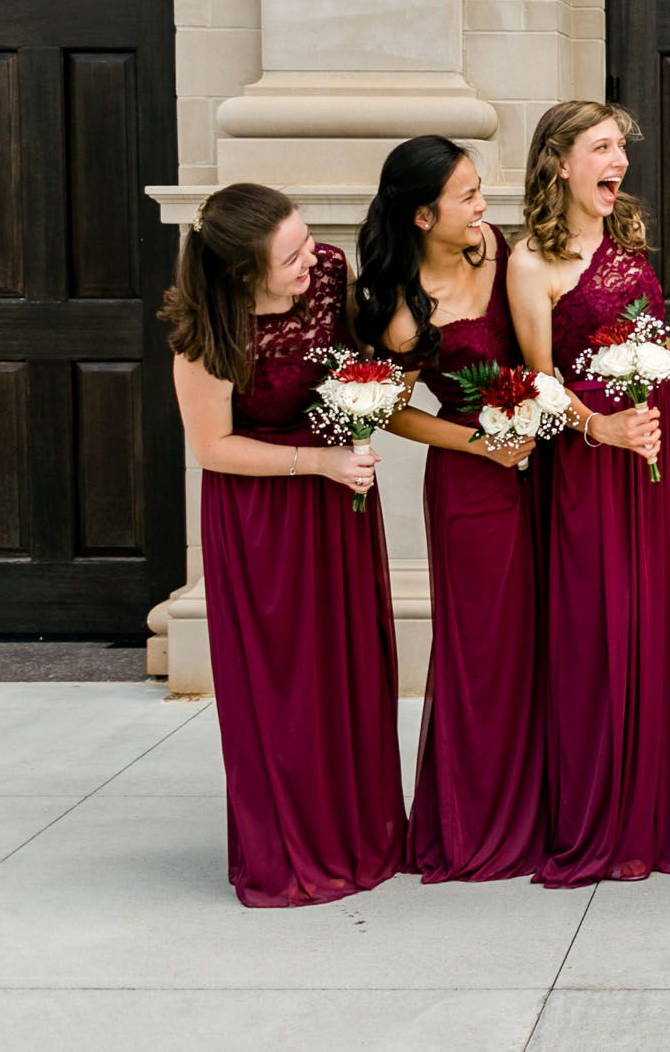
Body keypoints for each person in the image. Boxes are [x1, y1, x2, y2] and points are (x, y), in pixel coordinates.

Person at [160, 182, 406, 906]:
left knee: (350, 667)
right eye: (290, 256)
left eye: (305, 241)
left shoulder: (330, 274)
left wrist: (369, 404)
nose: (311, 260)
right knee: (284, 686)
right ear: (242, 273)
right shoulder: (205, 336)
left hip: (340, 502)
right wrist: (317, 463)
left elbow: (361, 356)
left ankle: (363, 833)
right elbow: (212, 447)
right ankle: (294, 846)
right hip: (263, 515)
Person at [506, 100, 670, 886]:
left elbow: (651, 339)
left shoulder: (626, 233)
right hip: (595, 457)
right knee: (604, 622)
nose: (618, 161)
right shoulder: (530, 260)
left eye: (619, 148)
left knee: (661, 614)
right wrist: (601, 430)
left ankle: (666, 801)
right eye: (600, 148)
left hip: (660, 443)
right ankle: (610, 810)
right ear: (559, 161)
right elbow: (539, 377)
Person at [355, 136, 546, 883]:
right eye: (467, 195)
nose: (483, 205)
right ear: (422, 213)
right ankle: (482, 820)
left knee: (548, 632)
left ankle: (552, 803)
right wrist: (479, 441)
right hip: (473, 484)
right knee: (487, 649)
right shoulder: (401, 312)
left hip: (544, 463)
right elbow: (392, 413)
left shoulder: (495, 248)